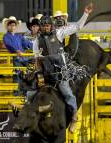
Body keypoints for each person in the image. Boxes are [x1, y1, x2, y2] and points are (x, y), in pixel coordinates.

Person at [32, 3, 93, 133]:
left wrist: (86, 14)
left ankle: (74, 117)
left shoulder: (59, 33)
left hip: (60, 71)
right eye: (44, 25)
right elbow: (37, 59)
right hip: (46, 72)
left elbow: (77, 26)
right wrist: (39, 75)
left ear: (51, 25)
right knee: (32, 91)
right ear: (41, 27)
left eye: (48, 25)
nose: (46, 27)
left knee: (67, 93)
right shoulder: (37, 41)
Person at [2, 16, 33, 95]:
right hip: (16, 57)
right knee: (18, 74)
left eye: (14, 25)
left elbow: (26, 43)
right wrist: (16, 50)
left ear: (16, 26)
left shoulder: (19, 36)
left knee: (28, 74)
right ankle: (17, 93)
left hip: (23, 57)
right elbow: (9, 44)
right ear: (7, 26)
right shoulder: (6, 36)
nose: (12, 26)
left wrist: (34, 46)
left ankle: (26, 92)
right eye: (10, 25)